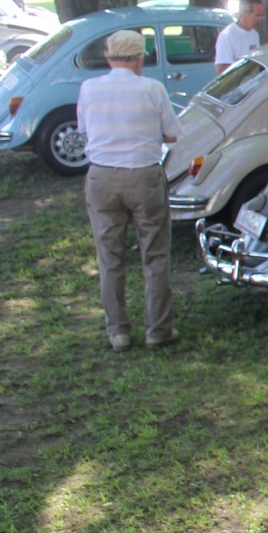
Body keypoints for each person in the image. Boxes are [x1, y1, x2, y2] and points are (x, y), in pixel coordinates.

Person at [76, 30, 182, 352]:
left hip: (102, 176)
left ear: (109, 58)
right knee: (155, 254)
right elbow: (173, 135)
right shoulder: (153, 88)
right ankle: (158, 329)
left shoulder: (89, 88)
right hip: (145, 175)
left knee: (109, 257)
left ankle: (118, 331)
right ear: (140, 59)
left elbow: (83, 130)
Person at [214, 0, 264, 74]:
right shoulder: (227, 35)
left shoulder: (255, 34)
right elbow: (221, 70)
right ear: (243, 14)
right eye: (257, 16)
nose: (260, 19)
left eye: (262, 16)